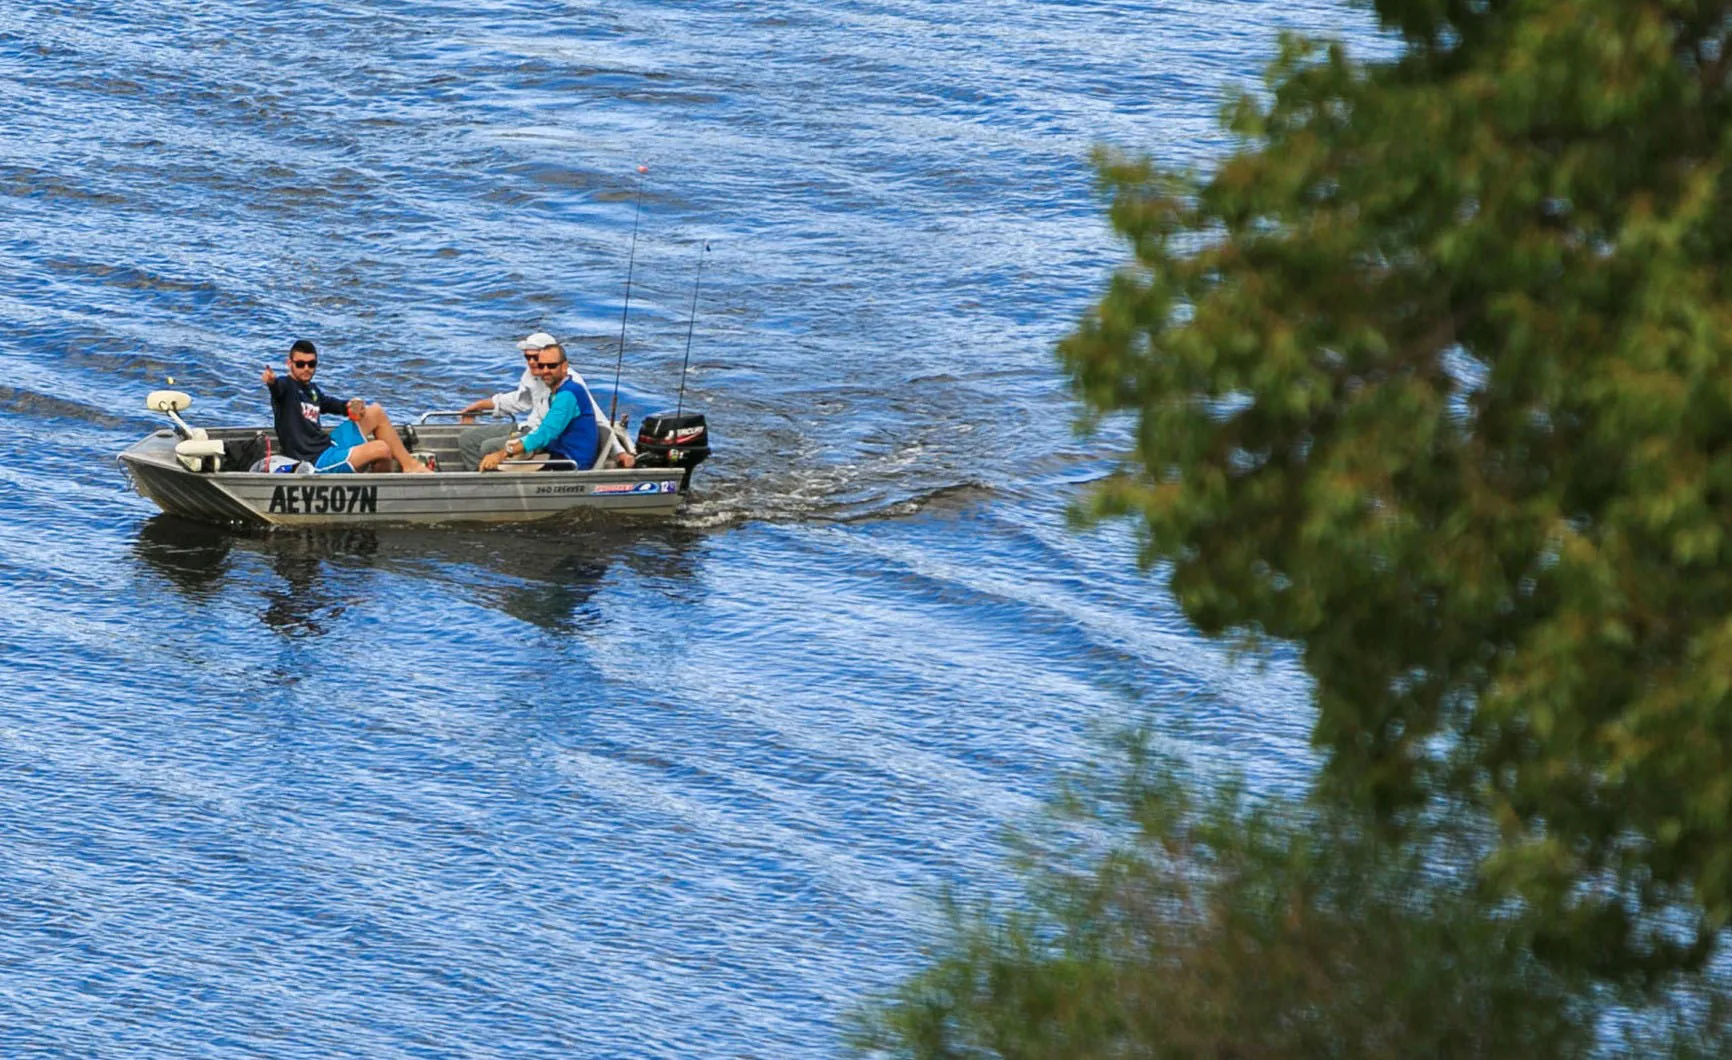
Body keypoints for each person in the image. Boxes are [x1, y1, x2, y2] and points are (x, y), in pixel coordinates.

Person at [261, 339, 430, 474]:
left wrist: (352, 405)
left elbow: (335, 405)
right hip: (316, 461)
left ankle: (410, 465)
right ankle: (375, 486)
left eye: (311, 364)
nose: (307, 368)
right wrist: (271, 381)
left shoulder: (311, 390)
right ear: (289, 363)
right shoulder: (286, 387)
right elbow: (277, 388)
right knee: (382, 448)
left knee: (376, 412)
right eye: (300, 364)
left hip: (329, 445)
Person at [479, 342, 632, 471]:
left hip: (570, 462)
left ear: (564, 366)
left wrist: (503, 453)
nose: (545, 370)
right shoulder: (558, 392)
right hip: (556, 452)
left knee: (497, 469)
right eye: (542, 365)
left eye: (551, 366)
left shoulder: (568, 395)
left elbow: (546, 433)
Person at [454, 331, 554, 471]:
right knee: (468, 438)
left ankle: (496, 485)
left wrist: (514, 446)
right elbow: (520, 400)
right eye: (527, 357)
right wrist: (481, 405)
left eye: (535, 357)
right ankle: (480, 481)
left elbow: (552, 430)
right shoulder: (532, 374)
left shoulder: (565, 385)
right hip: (528, 426)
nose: (531, 362)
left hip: (541, 435)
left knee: (489, 446)